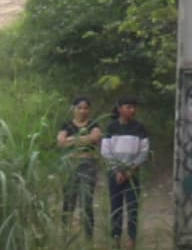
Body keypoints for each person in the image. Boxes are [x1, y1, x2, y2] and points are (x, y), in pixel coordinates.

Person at [102, 100, 151, 241]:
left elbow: (144, 151)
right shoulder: (111, 127)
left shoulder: (140, 128)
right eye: (128, 107)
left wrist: (130, 170)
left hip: (133, 173)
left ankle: (131, 239)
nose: (132, 110)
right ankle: (115, 238)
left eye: (134, 107)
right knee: (116, 206)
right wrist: (117, 170)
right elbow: (105, 151)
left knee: (132, 206)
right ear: (119, 109)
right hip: (114, 173)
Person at [60, 101, 105, 236]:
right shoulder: (66, 125)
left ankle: (88, 238)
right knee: (68, 201)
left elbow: (96, 137)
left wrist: (72, 139)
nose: (82, 111)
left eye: (85, 108)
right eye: (79, 108)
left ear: (89, 110)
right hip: (70, 165)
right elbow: (61, 142)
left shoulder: (94, 124)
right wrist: (86, 138)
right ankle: (65, 235)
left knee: (86, 202)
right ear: (73, 109)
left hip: (88, 164)